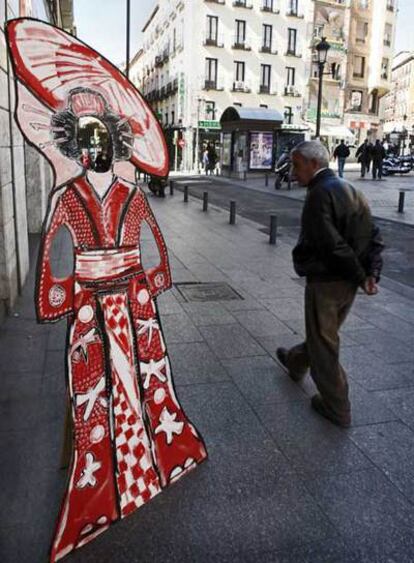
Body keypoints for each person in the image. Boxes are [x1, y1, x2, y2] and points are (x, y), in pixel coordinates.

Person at [276, 141, 384, 428]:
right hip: (347, 281)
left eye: (297, 166)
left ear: (313, 164)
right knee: (323, 334)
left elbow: (331, 244)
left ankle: (337, 407)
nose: (293, 172)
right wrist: (369, 272)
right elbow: (374, 234)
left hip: (327, 281)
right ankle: (296, 361)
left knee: (324, 344)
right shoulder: (351, 189)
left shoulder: (318, 194)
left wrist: (364, 276)